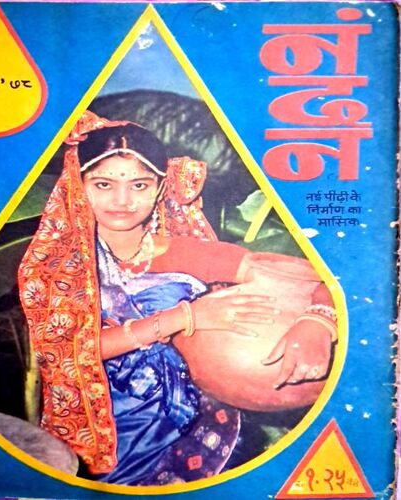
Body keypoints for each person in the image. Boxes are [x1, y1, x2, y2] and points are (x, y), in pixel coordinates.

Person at [17, 111, 336, 485]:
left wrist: (317, 321)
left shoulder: (180, 252)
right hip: (104, 434)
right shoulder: (59, 267)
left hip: (191, 424)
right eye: (104, 184)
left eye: (139, 185)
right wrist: (183, 318)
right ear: (78, 186)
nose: (122, 200)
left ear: (159, 188)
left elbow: (329, 277)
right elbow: (64, 348)